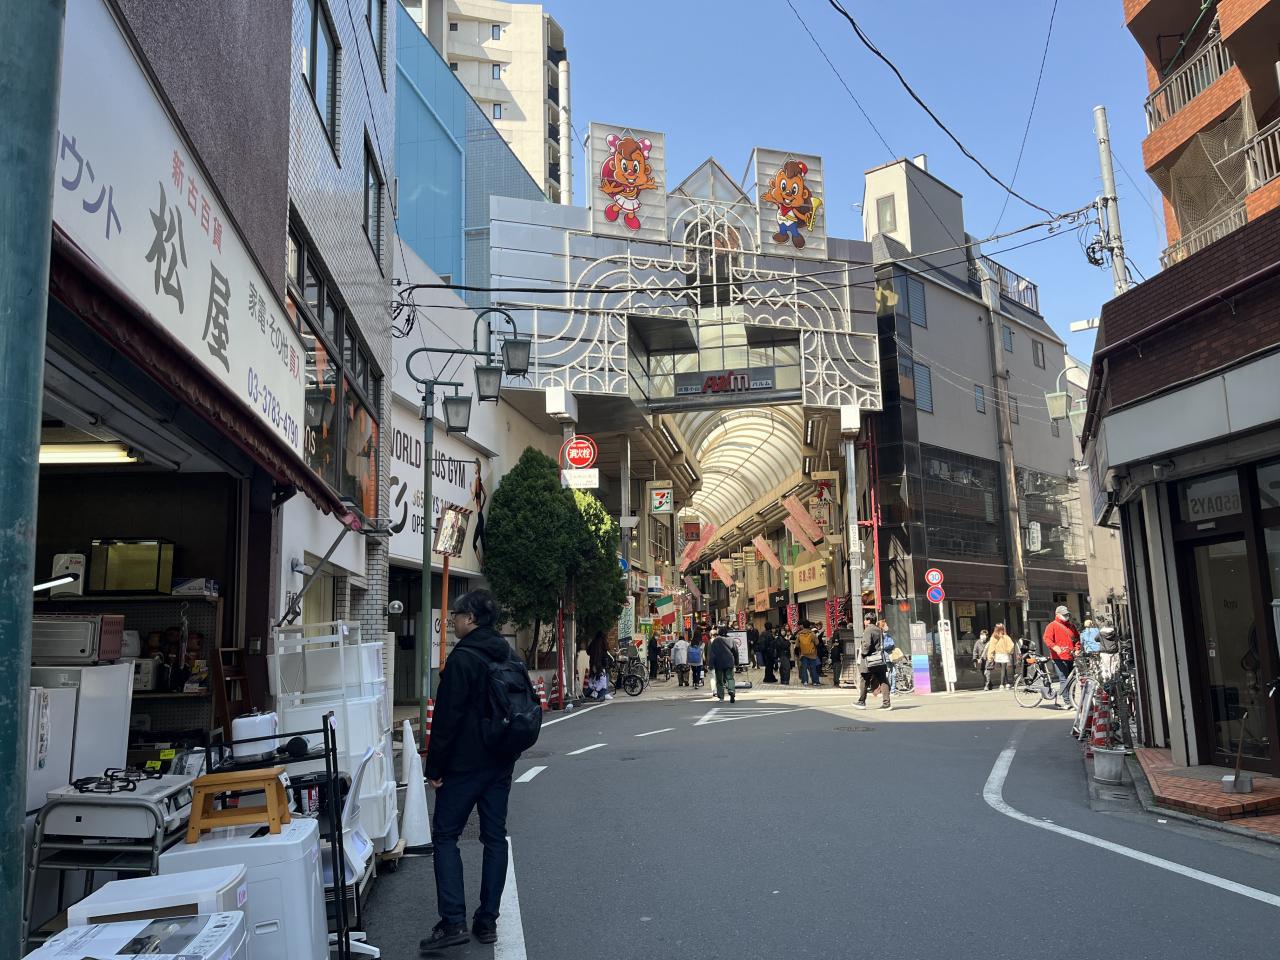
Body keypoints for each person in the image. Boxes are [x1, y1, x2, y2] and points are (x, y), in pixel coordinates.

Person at [423, 590, 526, 950]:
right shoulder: (508, 654)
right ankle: (487, 922)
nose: (452, 620)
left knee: (445, 836)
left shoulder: (463, 659)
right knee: (494, 838)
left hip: (463, 765)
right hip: (500, 762)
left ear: (470, 619)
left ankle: (453, 922)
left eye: (456, 615)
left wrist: (434, 767)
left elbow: (446, 719)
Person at [1043, 605, 1081, 708]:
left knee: (1072, 679)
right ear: (1057, 614)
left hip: (1071, 656)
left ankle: (1071, 699)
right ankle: (1067, 702)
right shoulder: (1052, 626)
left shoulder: (1071, 626)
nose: (1066, 616)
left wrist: (1077, 649)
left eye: (1067, 614)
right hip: (1058, 657)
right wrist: (1055, 647)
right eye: (1064, 614)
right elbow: (1047, 639)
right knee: (1064, 678)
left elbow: (1077, 639)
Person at [855, 617, 891, 710]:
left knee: (864, 680)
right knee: (883, 680)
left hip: (869, 660)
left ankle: (861, 702)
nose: (864, 621)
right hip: (879, 659)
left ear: (868, 620)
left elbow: (866, 644)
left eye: (865, 620)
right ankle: (886, 703)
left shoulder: (868, 629)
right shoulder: (879, 630)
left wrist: (863, 653)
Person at [983, 623, 1016, 690]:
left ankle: (1007, 683)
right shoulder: (1005, 636)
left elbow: (991, 648)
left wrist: (990, 657)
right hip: (1004, 654)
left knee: (1003, 669)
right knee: (1003, 669)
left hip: (998, 654)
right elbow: (1011, 645)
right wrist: (1009, 651)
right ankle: (1001, 684)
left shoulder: (993, 637)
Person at [709, 628, 737, 703]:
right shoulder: (731, 640)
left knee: (719, 680)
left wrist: (711, 664)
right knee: (730, 678)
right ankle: (731, 690)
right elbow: (735, 651)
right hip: (729, 661)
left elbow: (712, 654)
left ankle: (721, 697)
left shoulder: (716, 641)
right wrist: (737, 662)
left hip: (719, 663)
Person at [796, 621, 820, 686]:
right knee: (813, 668)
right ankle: (814, 682)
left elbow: (797, 645)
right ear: (809, 626)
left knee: (804, 668)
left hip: (803, 654)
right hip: (812, 654)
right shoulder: (812, 633)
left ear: (803, 626)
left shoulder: (799, 634)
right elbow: (817, 643)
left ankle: (805, 681)